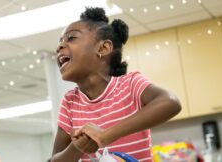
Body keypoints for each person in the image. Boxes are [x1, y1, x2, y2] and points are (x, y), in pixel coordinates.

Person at [50, 7, 181, 162]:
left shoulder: (130, 84)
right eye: (60, 42)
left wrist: (104, 136)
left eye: (71, 38)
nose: (59, 47)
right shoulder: (70, 102)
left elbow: (170, 102)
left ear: (103, 48)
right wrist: (77, 147)